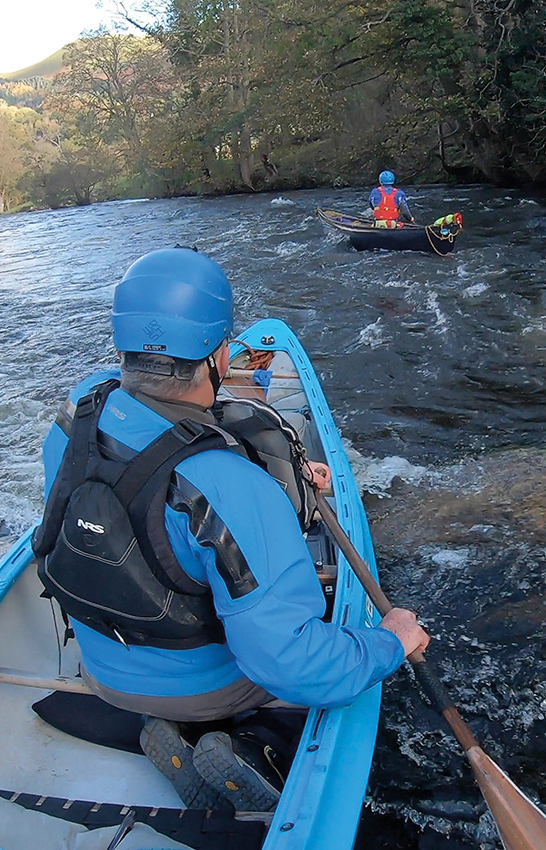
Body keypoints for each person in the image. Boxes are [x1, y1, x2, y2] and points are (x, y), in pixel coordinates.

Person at [34, 247, 430, 812]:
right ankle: (254, 744)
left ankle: (169, 731)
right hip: (202, 686)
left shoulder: (77, 414)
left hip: (100, 667)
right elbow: (292, 664)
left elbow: (153, 447)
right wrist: (390, 640)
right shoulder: (228, 488)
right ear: (222, 355)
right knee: (318, 679)